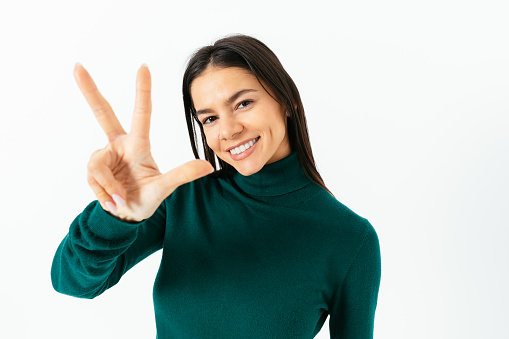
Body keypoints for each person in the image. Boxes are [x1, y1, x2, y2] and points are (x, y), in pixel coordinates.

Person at [51, 34, 382, 339]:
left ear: (286, 101)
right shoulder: (184, 199)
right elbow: (71, 281)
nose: (228, 130)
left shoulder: (350, 239)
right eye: (209, 118)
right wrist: (116, 214)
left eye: (243, 104)